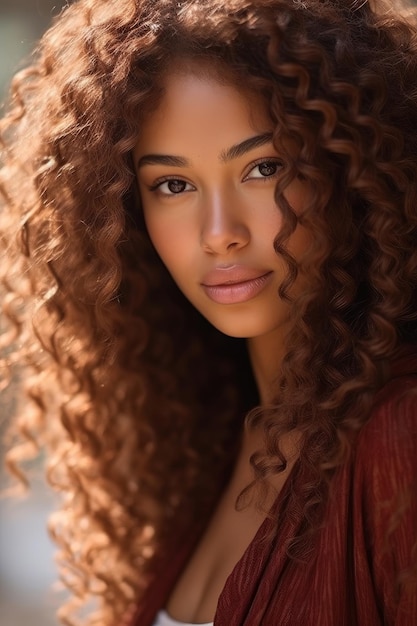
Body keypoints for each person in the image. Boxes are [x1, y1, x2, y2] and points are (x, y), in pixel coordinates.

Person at [1, 0, 417, 624]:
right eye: (173, 184)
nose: (219, 234)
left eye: (264, 168)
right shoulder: (206, 439)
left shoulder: (399, 437)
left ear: (352, 168)